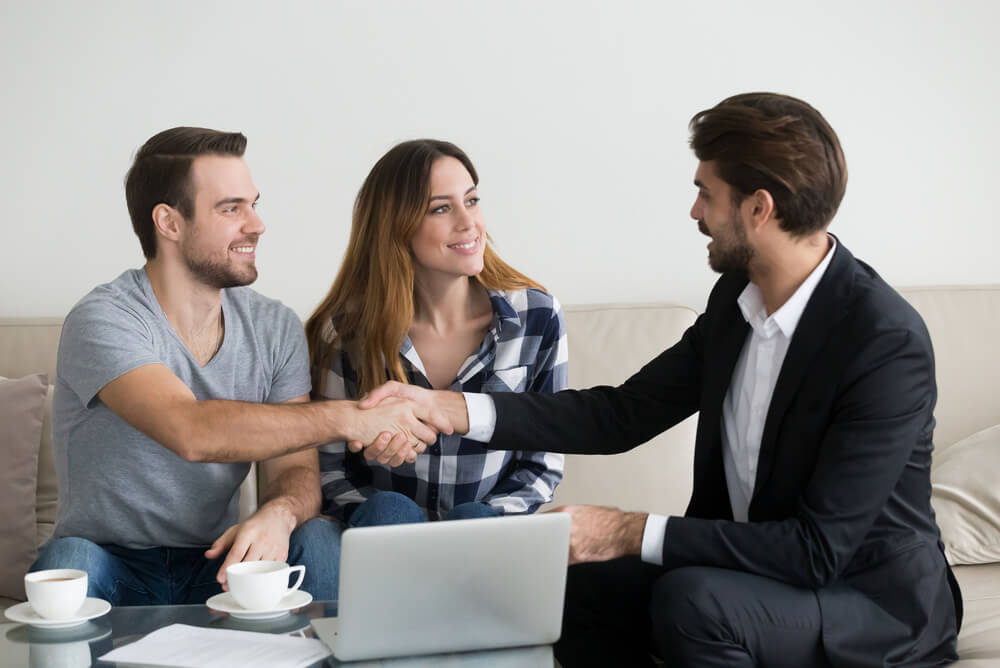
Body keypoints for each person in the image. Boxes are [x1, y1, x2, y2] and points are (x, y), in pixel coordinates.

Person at [356, 94, 962, 666]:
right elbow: (620, 414)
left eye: (706, 193)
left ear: (759, 207)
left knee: (694, 603)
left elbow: (816, 551)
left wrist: (624, 530)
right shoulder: (737, 302)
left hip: (868, 602)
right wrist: (453, 409)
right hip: (751, 574)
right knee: (568, 588)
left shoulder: (883, 342)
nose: (695, 211)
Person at [30, 127, 451, 606]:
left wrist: (281, 512)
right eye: (231, 209)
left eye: (253, 204)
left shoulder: (274, 327)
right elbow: (190, 430)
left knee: (316, 539)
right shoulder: (105, 318)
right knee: (69, 563)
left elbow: (294, 468)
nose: (257, 224)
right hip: (109, 563)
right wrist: (354, 417)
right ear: (169, 223)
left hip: (219, 563)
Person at [304, 139, 566, 528]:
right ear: (397, 227)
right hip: (382, 540)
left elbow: (542, 463)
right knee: (387, 511)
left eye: (472, 200)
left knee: (475, 521)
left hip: (482, 543)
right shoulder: (345, 333)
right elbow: (331, 469)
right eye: (441, 208)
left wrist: (483, 522)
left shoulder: (536, 317)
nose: (468, 222)